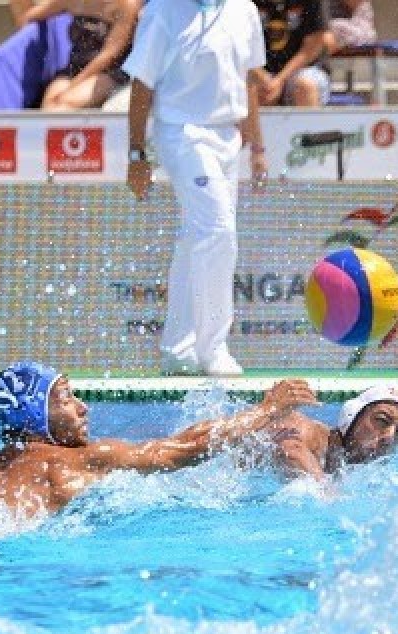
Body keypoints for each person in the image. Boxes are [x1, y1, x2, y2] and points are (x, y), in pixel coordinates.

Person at [0, 362, 318, 534]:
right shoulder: (78, 462)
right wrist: (267, 409)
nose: (83, 407)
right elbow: (184, 448)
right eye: (67, 398)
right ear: (35, 414)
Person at [123, 0, 269, 377]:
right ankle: (214, 348)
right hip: (182, 133)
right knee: (217, 232)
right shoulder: (162, 10)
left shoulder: (244, 10)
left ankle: (179, 348)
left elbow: (249, 80)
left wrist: (257, 147)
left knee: (196, 238)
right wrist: (137, 153)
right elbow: (142, 83)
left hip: (228, 137)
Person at [265, 385, 398, 480]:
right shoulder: (310, 434)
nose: (390, 436)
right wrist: (325, 490)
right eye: (382, 420)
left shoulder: (352, 472)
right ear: (352, 416)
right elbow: (291, 450)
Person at [17, 0, 140, 110]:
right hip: (75, 67)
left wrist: (73, 85)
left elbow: (110, 54)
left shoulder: (126, 4)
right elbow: (30, 16)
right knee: (50, 106)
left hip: (112, 70)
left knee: (67, 102)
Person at [255, 0, 330, 106]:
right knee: (254, 88)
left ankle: (310, 118)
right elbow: (241, 46)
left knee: (304, 85)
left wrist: (279, 79)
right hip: (258, 69)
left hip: (304, 68)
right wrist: (262, 77)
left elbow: (312, 47)